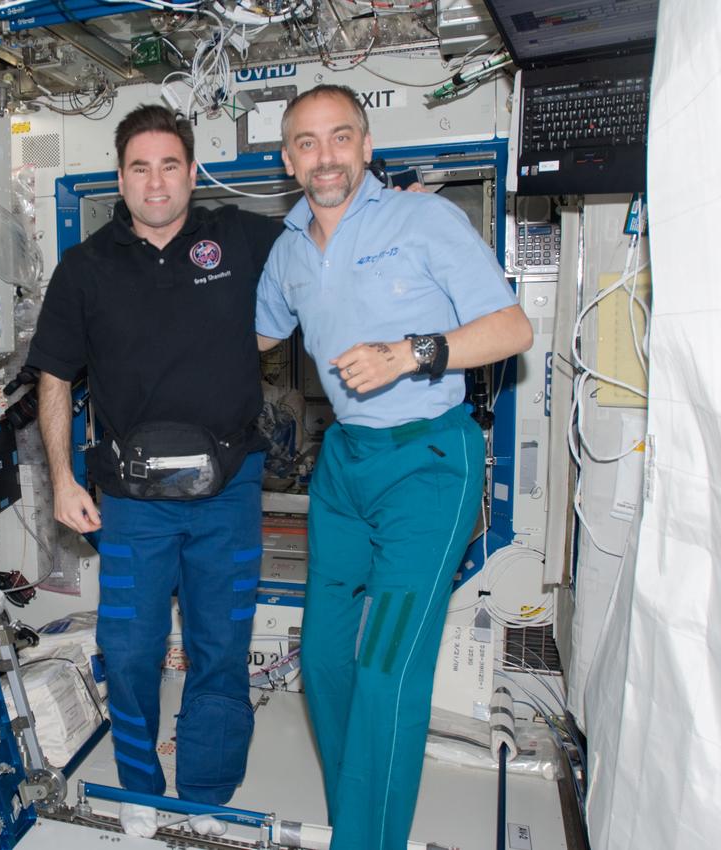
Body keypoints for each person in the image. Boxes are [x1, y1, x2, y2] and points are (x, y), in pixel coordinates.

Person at [254, 84, 533, 849]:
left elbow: (512, 327)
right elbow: (254, 339)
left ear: (366, 146)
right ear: (288, 161)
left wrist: (412, 352)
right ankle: (362, 819)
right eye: (307, 144)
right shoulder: (286, 254)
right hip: (345, 468)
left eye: (341, 138)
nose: (326, 157)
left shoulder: (423, 220)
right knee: (324, 659)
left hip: (428, 464)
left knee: (383, 670)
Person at [26, 104, 285, 838]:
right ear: (120, 178)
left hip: (228, 491)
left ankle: (204, 797)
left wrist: (391, 200)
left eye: (170, 164)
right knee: (130, 648)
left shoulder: (238, 236)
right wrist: (63, 481)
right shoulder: (85, 268)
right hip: (132, 501)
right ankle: (142, 790)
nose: (156, 180)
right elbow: (53, 378)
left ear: (191, 172)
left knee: (221, 645)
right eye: (140, 167)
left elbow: (325, 235)